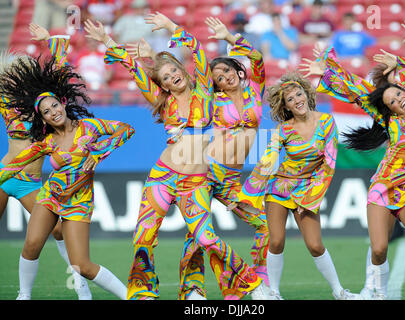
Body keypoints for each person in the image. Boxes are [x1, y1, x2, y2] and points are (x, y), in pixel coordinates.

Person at [84, 12, 269, 300]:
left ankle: (246, 284)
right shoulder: (163, 101)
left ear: (182, 70)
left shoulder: (207, 93)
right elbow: (132, 66)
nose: (173, 77)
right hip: (162, 176)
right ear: (164, 85)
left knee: (206, 238)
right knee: (143, 238)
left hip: (195, 182)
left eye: (175, 71)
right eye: (166, 78)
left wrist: (171, 27)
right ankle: (143, 295)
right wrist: (107, 40)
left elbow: (196, 48)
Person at [306, 44, 405, 300]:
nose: (398, 101)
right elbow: (357, 91)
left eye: (398, 95)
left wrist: (400, 61)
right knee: (379, 249)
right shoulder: (390, 121)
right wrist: (327, 71)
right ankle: (378, 293)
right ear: (389, 110)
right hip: (383, 188)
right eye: (391, 102)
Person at [0, 51, 134, 300]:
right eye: (46, 112)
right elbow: (14, 166)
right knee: (31, 246)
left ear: (62, 102)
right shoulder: (46, 141)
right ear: (43, 119)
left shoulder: (90, 128)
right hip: (50, 198)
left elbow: (127, 130)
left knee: (83, 265)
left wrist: (97, 155)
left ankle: (131, 296)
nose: (53, 112)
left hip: (79, 202)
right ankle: (24, 296)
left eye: (54, 106)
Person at [235, 70, 359, 300]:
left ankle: (339, 292)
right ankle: (274, 292)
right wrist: (247, 193)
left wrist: (310, 198)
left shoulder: (327, 121)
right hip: (280, 188)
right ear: (287, 107)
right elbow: (268, 159)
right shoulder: (282, 129)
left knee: (315, 245)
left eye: (299, 94)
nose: (297, 101)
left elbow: (328, 164)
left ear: (307, 94)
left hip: (308, 189)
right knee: (276, 240)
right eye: (290, 100)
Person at [177, 17, 270, 300]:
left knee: (264, 226)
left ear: (236, 70)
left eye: (227, 71)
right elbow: (197, 71)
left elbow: (257, 58)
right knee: (198, 231)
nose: (224, 77)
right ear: (214, 83)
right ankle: (193, 291)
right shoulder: (212, 100)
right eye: (218, 77)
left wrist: (229, 37)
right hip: (207, 170)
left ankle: (258, 284)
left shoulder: (256, 90)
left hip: (232, 179)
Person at [0, 23, 93, 300]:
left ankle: (81, 285)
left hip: (30, 181)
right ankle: (24, 295)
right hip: (6, 174)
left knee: (57, 231)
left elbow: (62, 68)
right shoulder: (6, 101)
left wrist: (47, 41)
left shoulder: (46, 107)